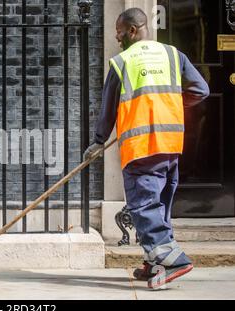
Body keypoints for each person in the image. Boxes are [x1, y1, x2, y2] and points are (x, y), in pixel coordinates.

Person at [84, 8, 210, 289]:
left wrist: (98, 141)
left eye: (119, 34)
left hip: (141, 146)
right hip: (169, 143)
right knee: (159, 204)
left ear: (132, 30)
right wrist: (170, 106)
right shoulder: (173, 55)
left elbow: (109, 109)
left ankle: (173, 258)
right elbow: (200, 90)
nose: (118, 40)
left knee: (143, 205)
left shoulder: (123, 62)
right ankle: (154, 262)